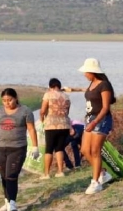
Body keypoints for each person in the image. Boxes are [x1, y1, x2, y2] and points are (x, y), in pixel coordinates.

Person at [0, 88, 38, 211]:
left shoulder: (25, 111)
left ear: (16, 98)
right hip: (0, 148)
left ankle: (12, 203)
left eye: (10, 100)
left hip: (17, 148)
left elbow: (31, 129)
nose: (7, 103)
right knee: (4, 176)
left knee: (11, 175)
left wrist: (35, 147)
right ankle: (6, 201)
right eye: (4, 100)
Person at [78, 58, 115, 195]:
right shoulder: (91, 84)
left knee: (95, 151)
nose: (84, 74)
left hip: (101, 120)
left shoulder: (104, 85)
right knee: (85, 150)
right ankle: (103, 173)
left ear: (93, 72)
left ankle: (96, 182)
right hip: (90, 119)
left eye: (86, 72)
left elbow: (105, 108)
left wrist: (94, 122)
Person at [39, 78, 72, 179]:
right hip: (64, 125)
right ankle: (60, 171)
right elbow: (67, 112)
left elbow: (43, 110)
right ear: (59, 86)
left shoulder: (48, 94)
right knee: (59, 148)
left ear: (50, 86)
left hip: (51, 125)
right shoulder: (66, 96)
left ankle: (46, 173)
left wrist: (42, 120)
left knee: (49, 149)